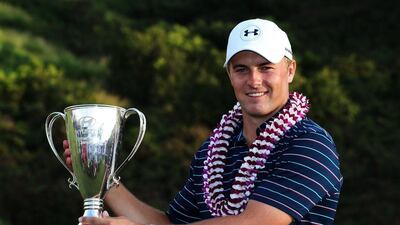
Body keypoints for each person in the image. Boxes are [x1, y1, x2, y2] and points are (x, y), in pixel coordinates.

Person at [64, 18, 343, 225]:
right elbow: (171, 224)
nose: (254, 81)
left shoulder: (309, 144)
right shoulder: (215, 149)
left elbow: (254, 223)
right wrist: (99, 175)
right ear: (229, 75)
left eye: (266, 67)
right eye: (241, 69)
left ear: (290, 70)